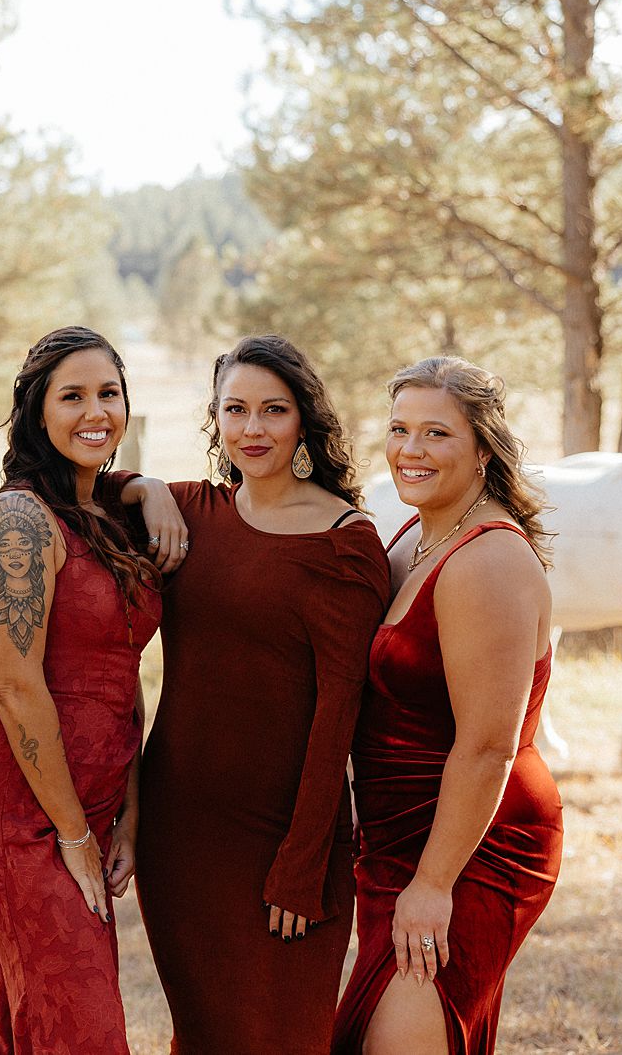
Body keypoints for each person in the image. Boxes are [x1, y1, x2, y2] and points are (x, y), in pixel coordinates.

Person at [111, 334, 391, 1053]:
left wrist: (301, 866)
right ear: (215, 418)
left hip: (287, 838)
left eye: (274, 409)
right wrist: (141, 486)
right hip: (181, 835)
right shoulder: (187, 514)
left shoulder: (345, 541)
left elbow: (339, 718)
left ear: (304, 420)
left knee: (283, 1036)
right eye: (236, 409)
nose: (254, 428)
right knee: (204, 1033)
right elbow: (69, 485)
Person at [332, 356, 561, 1055]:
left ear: (483, 449)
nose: (410, 449)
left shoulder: (488, 560)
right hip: (399, 841)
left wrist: (434, 884)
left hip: (473, 845)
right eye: (399, 429)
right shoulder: (416, 534)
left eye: (437, 434)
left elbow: (489, 744)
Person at [0, 326, 163, 1054]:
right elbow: (17, 689)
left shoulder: (110, 514)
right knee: (83, 1032)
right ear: (36, 412)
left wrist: (129, 816)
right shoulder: (19, 518)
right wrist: (73, 833)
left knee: (28, 1027)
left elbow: (123, 677)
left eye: (108, 393)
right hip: (26, 814)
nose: (94, 411)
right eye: (71, 395)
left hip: (96, 807)